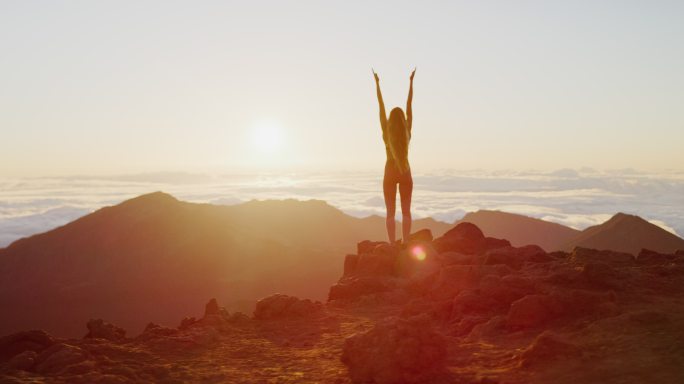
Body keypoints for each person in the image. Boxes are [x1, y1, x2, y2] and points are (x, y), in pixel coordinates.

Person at [373, 68, 415, 245]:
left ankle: (391, 245)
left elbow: (380, 107)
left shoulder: (386, 132)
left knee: (390, 212)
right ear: (403, 120)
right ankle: (405, 243)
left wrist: (377, 84)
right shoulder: (407, 131)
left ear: (390, 120)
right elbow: (409, 105)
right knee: (406, 212)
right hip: (404, 170)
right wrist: (411, 82)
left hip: (389, 171)